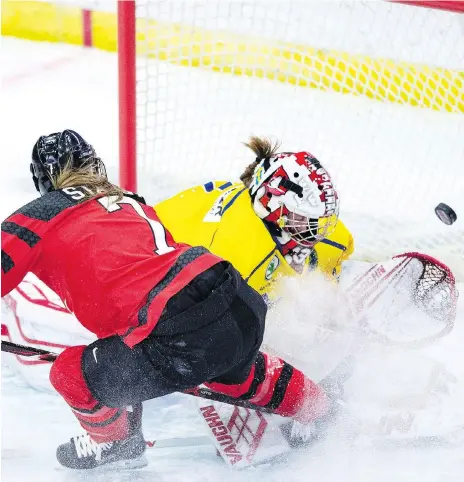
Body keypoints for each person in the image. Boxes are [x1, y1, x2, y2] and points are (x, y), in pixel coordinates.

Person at [1, 130, 331, 470]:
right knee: (238, 373)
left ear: (41, 177)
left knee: (72, 374)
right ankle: (325, 410)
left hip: (181, 330)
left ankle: (119, 444)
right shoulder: (128, 200)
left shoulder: (40, 213)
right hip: (236, 298)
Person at [154, 137, 354, 306]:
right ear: (272, 205)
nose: (315, 231)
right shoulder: (235, 257)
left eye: (317, 220)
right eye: (303, 218)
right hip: (151, 268)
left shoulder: (282, 223)